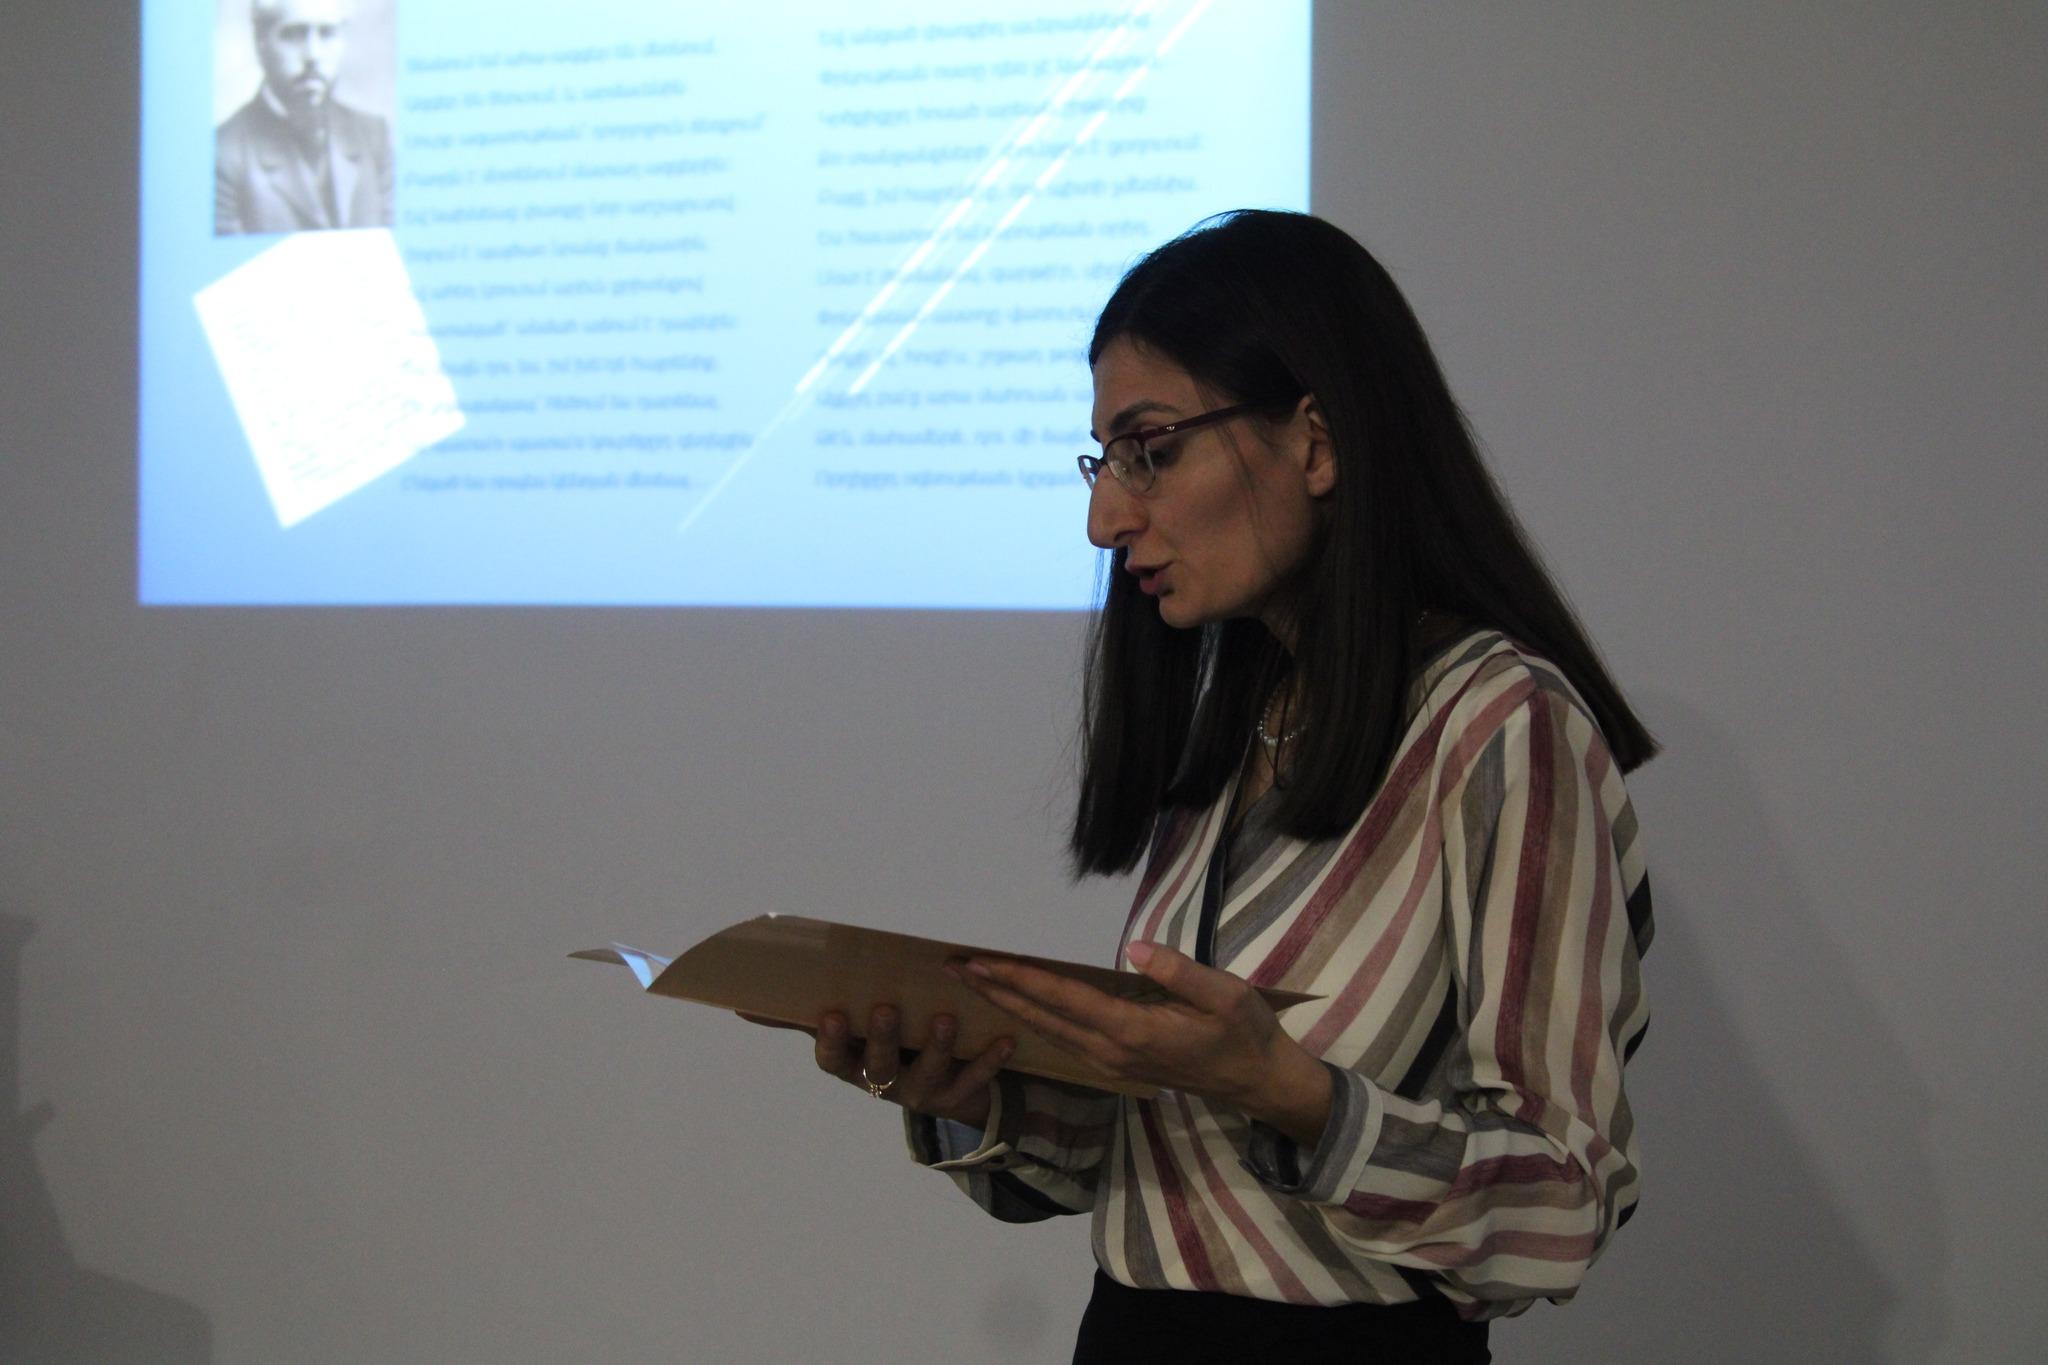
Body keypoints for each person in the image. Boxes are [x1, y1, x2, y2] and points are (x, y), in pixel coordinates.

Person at [798, 210, 1656, 1363]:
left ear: (1316, 442)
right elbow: (1162, 1161)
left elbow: (1558, 1209)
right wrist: (969, 1089)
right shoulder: (1241, 721)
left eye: (1150, 450)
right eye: (1103, 461)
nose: (1104, 517)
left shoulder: (1501, 725)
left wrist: (1291, 1093)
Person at [215, 0, 393, 236]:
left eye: (326, 33)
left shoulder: (374, 136)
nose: (313, 55)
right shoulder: (223, 153)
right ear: (260, 43)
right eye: (294, 34)